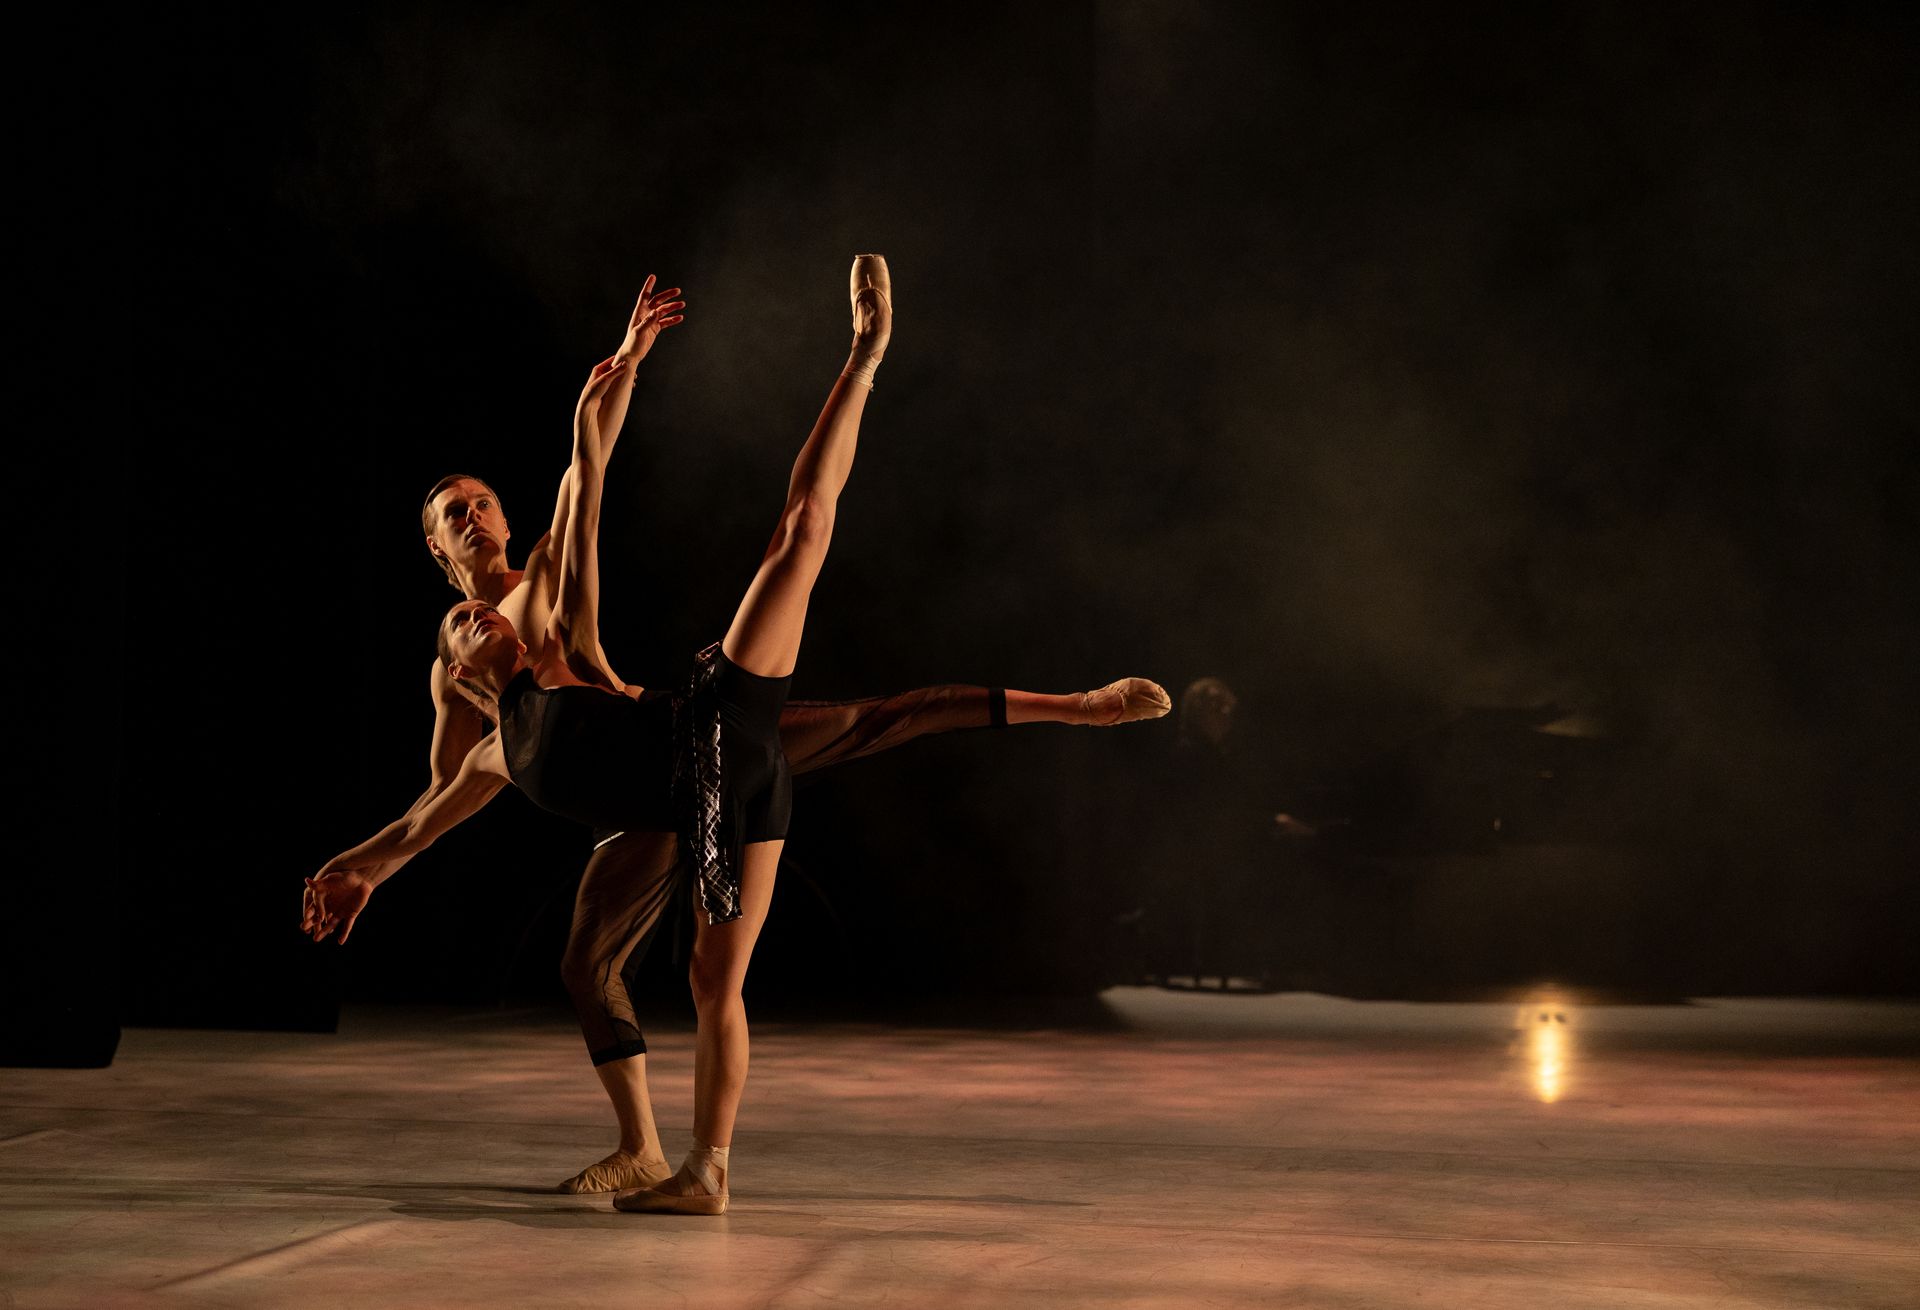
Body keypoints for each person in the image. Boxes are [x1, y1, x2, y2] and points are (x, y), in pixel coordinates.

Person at [305, 259, 1168, 1214]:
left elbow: (587, 465)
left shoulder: (546, 588)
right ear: (436, 557)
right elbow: (433, 806)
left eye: (479, 502)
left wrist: (629, 358)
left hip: (693, 732)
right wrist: (359, 868)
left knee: (837, 625)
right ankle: (663, 1155)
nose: (473, 518)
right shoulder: (469, 706)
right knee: (612, 967)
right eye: (452, 516)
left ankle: (872, 365)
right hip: (644, 799)